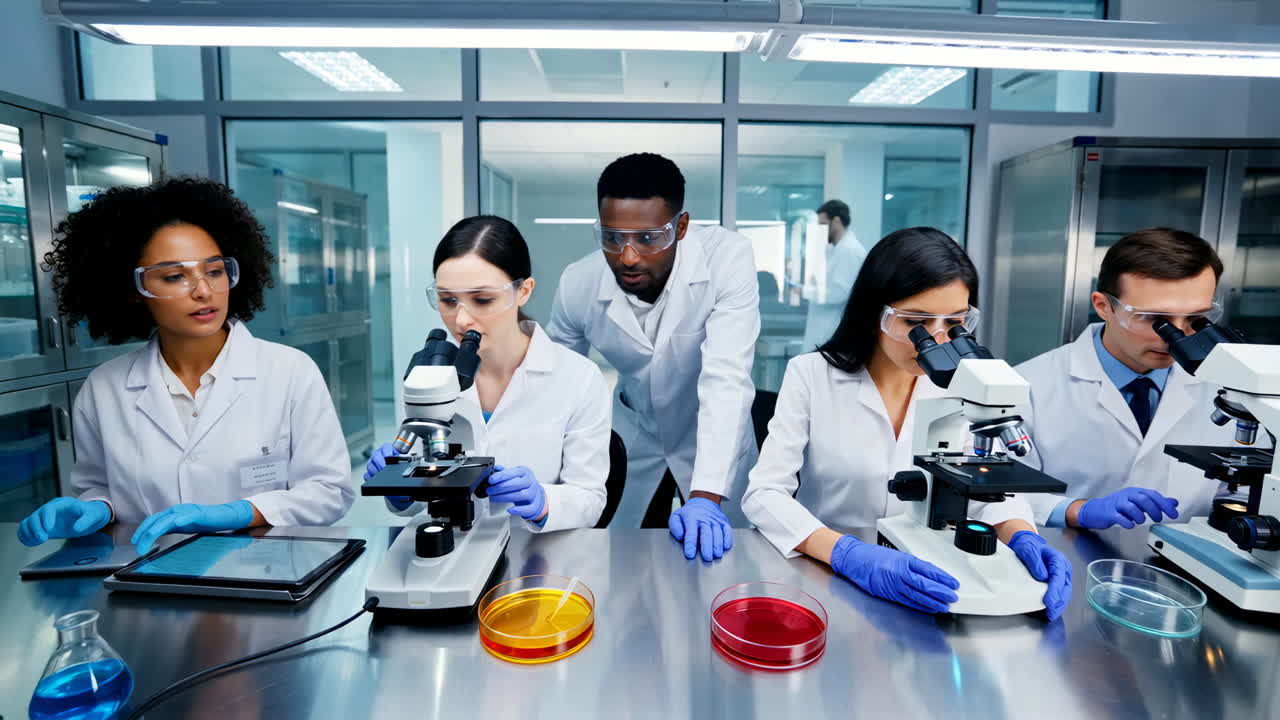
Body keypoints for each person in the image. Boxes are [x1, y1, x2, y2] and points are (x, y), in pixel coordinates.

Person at [743, 227, 1071, 619]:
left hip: (935, 581)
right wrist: (847, 554)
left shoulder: (968, 383)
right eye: (916, 321)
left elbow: (991, 493)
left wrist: (1021, 534)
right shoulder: (812, 375)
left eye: (954, 322)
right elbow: (764, 495)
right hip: (829, 576)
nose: (935, 337)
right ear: (875, 314)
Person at [17, 178, 353, 554]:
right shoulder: (105, 387)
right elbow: (101, 487)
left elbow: (330, 492)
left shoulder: (290, 371)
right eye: (175, 276)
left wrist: (242, 512)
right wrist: (94, 508)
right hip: (150, 580)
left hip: (264, 576)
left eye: (213, 271)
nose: (203, 291)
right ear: (134, 289)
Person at [547, 153, 760, 561]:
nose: (628, 256)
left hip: (709, 431)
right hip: (634, 429)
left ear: (680, 227)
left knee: (731, 561)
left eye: (648, 238)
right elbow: (557, 388)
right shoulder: (579, 283)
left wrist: (705, 495)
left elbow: (726, 379)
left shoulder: (726, 259)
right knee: (623, 556)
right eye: (612, 237)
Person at [365, 216, 610, 531]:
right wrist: (400, 492)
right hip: (452, 547)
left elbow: (589, 499)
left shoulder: (579, 379)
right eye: (448, 299)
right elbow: (416, 492)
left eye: (482, 299)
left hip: (535, 554)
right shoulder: (428, 376)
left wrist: (543, 501)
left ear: (523, 291)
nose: (462, 319)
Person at [1016, 228, 1259, 529]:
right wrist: (1078, 510)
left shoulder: (1232, 389)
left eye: (1196, 318)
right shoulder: (1028, 387)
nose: (1177, 336)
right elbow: (1000, 495)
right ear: (1104, 306)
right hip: (1062, 557)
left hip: (1186, 562)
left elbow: (1244, 486)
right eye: (1155, 319)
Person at [802, 199, 866, 351]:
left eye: (823, 224)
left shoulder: (849, 251)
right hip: (824, 332)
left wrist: (806, 291)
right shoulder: (836, 250)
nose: (820, 230)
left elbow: (838, 294)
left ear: (836, 221)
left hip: (832, 334)